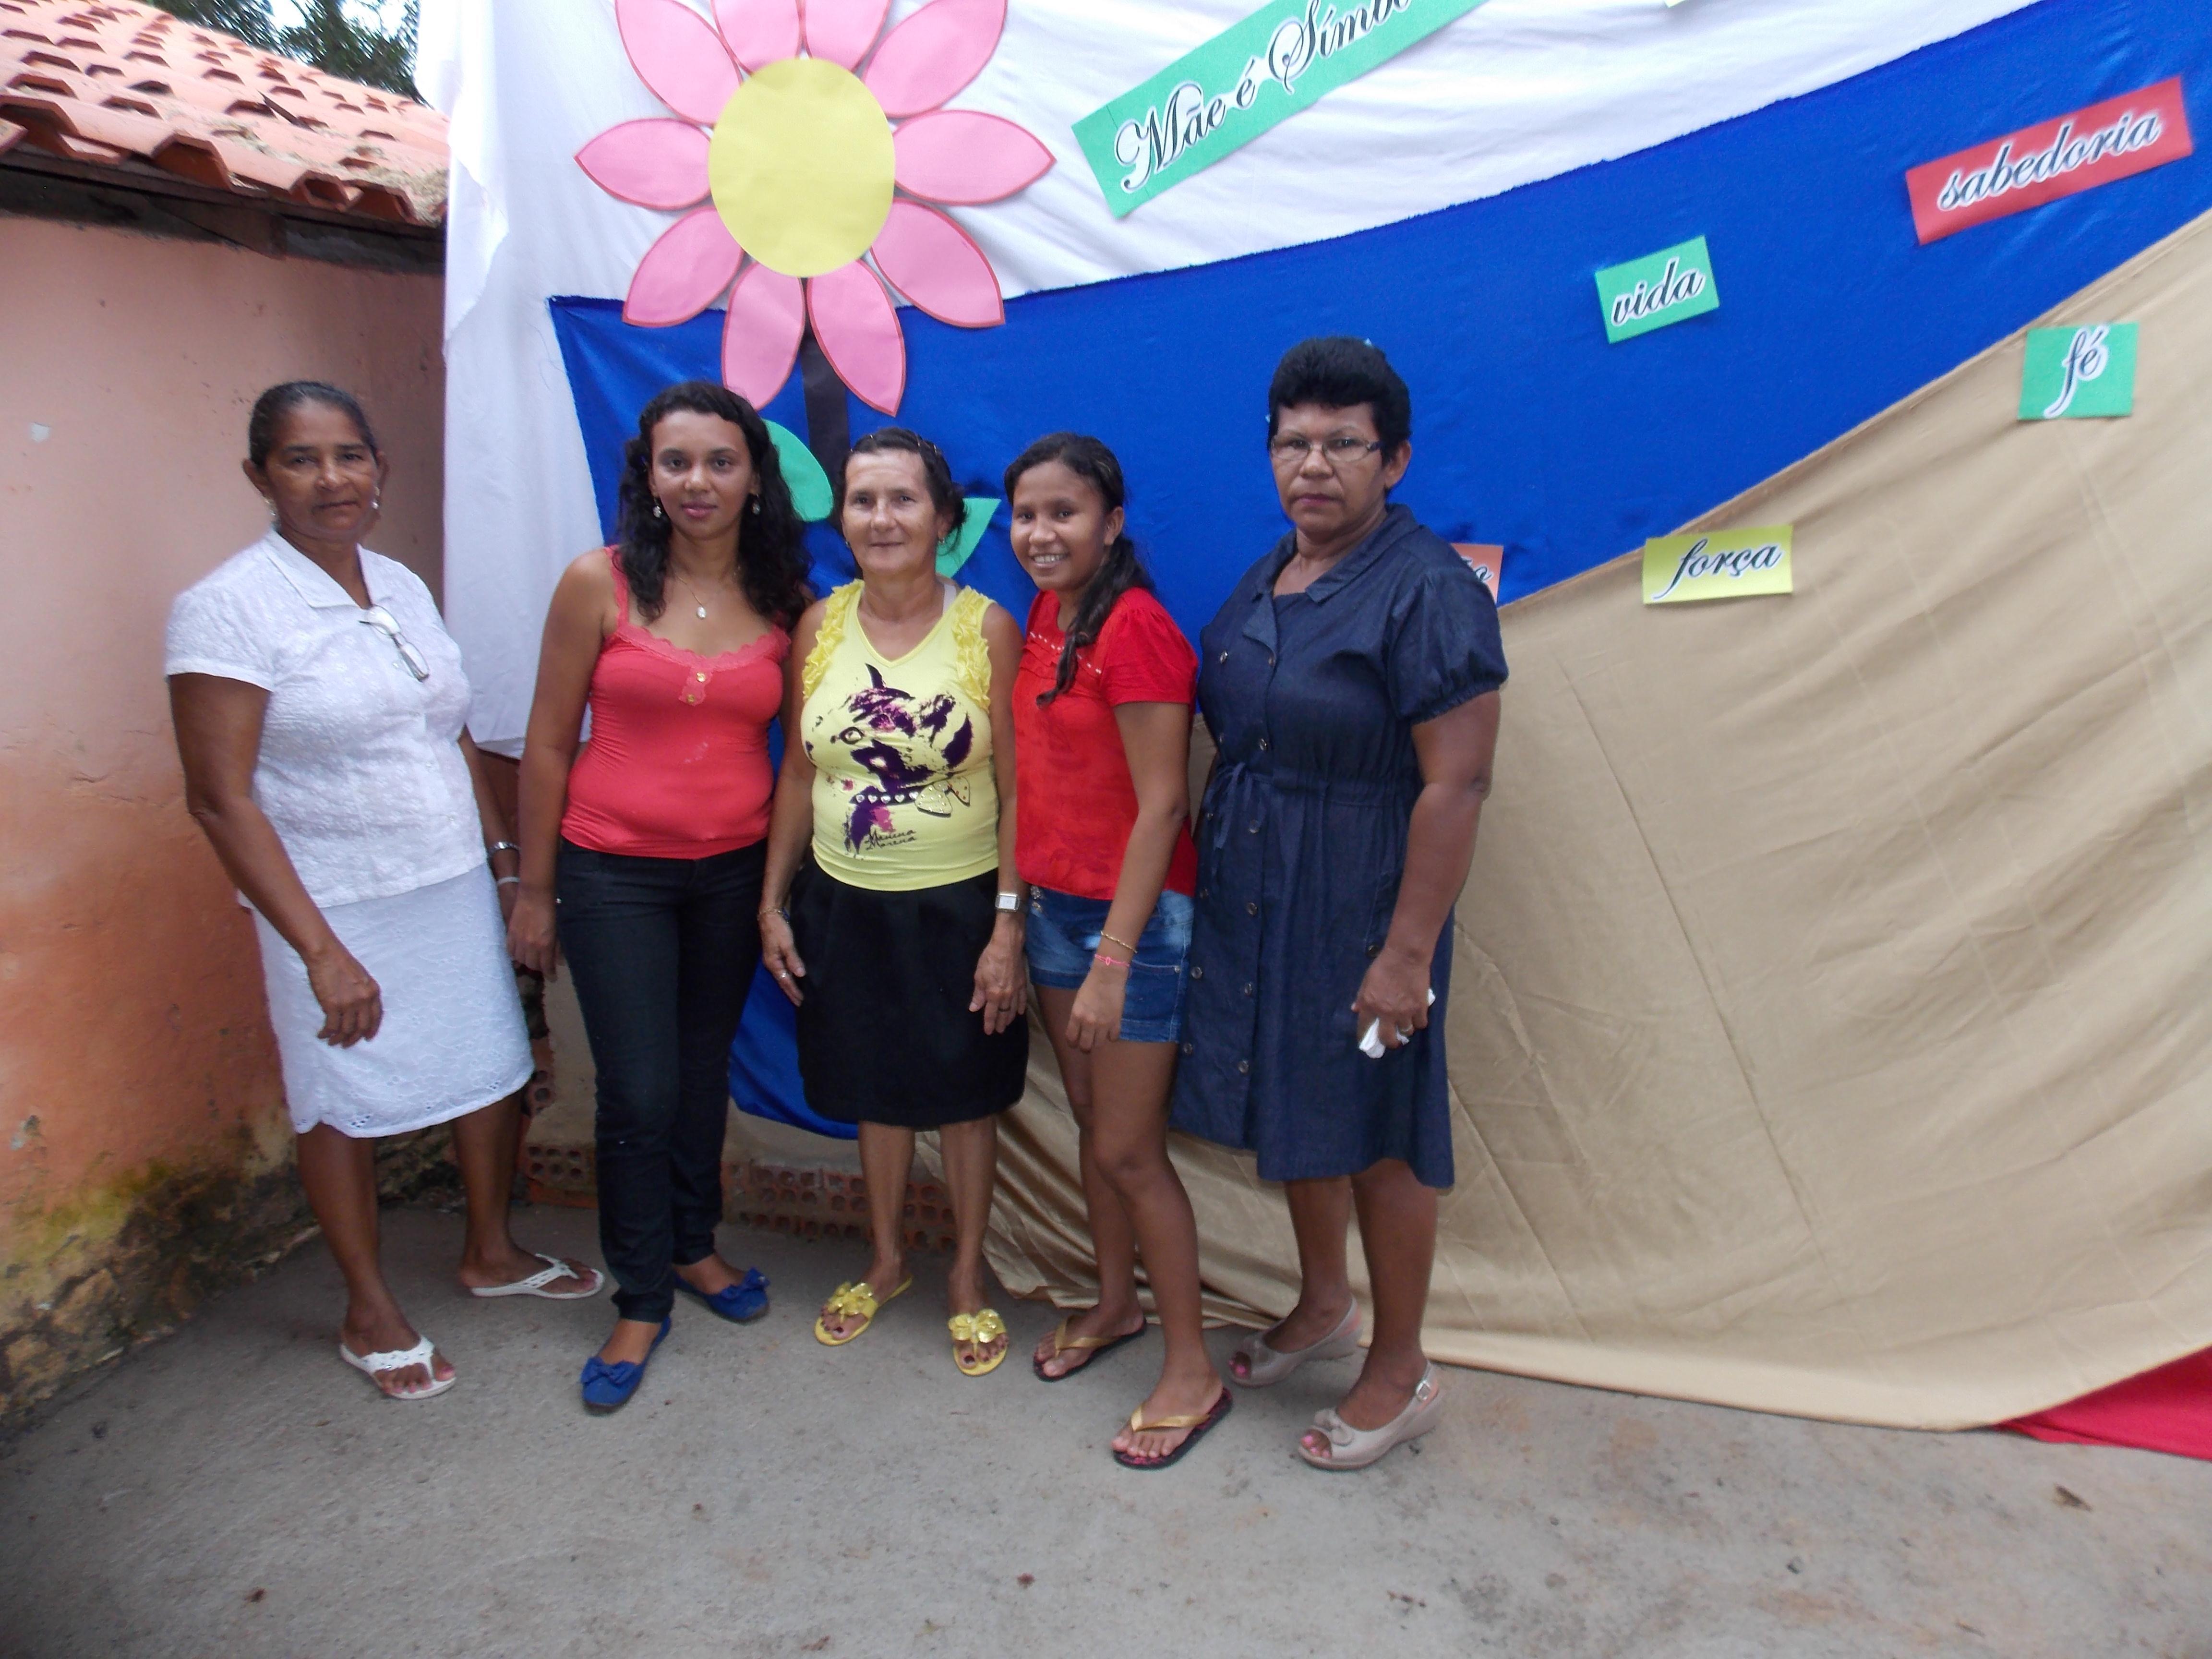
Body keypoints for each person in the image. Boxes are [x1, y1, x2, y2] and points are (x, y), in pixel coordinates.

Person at [166, 381, 601, 1404]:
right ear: (258, 476)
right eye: (302, 460)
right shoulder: (226, 608)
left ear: (380, 468)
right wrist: (320, 950)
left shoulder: (398, 584)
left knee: (491, 1068)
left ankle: (488, 1252)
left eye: (349, 456)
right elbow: (218, 799)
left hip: (446, 880)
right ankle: (368, 1309)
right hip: (330, 901)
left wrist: (503, 871)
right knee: (341, 1100)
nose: (332, 480)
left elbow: (443, 727)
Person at [1172, 338, 1506, 1469]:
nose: (1314, 464)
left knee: (1380, 1135)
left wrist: (1406, 953)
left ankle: (1402, 1367)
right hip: (1258, 892)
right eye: (1293, 442)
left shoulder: (1430, 589)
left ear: (1395, 458)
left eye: (1343, 444)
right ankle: (1324, 1304)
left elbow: (1457, 781)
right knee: (1291, 1097)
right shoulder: (1273, 570)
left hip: (1363, 899)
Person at [508, 381, 811, 1413]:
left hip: (728, 877)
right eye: (675, 461)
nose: (698, 482)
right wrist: (535, 889)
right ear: (646, 474)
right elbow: (548, 743)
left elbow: (805, 763)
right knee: (637, 1094)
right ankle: (640, 1296)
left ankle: (692, 1249)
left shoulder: (785, 602)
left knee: (695, 1078)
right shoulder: (596, 583)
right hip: (610, 874)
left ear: (753, 480)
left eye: (720, 462)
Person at [758, 427, 1028, 1378]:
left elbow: (1020, 792)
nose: (882, 518)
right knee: (874, 1089)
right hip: (845, 901)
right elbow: (797, 769)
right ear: (842, 517)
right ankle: (884, 1259)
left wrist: (1006, 923)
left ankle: (964, 1275)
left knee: (962, 1098)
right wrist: (771, 900)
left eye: (903, 499)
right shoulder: (819, 625)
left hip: (957, 907)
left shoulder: (987, 627)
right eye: (864, 500)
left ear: (945, 520)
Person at [1004, 434, 1227, 1469]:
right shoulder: (1050, 615)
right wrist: (1017, 917)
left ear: (1112, 523)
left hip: (1132, 926)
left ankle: (1193, 1367)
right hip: (1053, 910)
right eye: (1028, 515)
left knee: (1132, 1151)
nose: (1042, 534)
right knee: (1097, 1127)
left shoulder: (1136, 631)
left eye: (1065, 514)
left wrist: (1113, 959)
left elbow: (1163, 804)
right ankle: (1114, 1305)